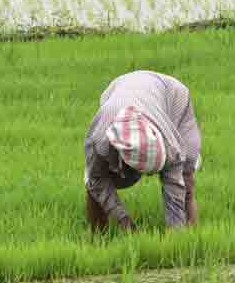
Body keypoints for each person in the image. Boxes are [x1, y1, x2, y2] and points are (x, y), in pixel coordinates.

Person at [84, 71, 202, 232]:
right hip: (119, 88)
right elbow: (96, 180)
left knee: (185, 179)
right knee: (94, 183)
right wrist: (124, 222)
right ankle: (97, 237)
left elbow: (175, 185)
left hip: (172, 95)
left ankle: (188, 237)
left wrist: (176, 232)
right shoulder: (98, 140)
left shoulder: (170, 146)